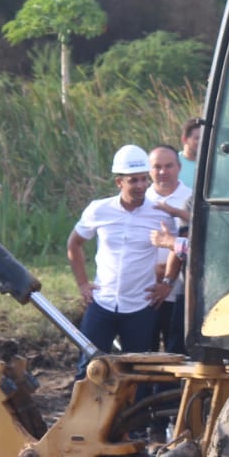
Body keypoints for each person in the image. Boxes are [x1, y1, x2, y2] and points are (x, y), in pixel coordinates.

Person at [67, 144, 173, 375]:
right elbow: (74, 244)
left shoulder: (160, 213)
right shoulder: (99, 210)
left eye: (144, 180)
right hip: (102, 303)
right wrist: (83, 284)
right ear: (119, 182)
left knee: (139, 372)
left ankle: (136, 412)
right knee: (88, 368)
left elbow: (176, 247)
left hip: (140, 306)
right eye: (133, 180)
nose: (140, 186)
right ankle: (84, 412)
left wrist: (167, 283)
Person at [147, 145, 192, 354]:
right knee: (145, 350)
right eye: (157, 167)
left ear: (179, 167)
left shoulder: (191, 200)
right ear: (149, 170)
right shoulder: (140, 199)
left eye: (168, 166)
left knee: (175, 351)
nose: (163, 172)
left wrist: (168, 276)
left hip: (178, 290)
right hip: (146, 289)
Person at [178, 117, 203, 191]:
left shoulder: (215, 164)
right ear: (184, 139)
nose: (202, 142)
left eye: (205, 138)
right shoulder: (172, 164)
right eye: (197, 138)